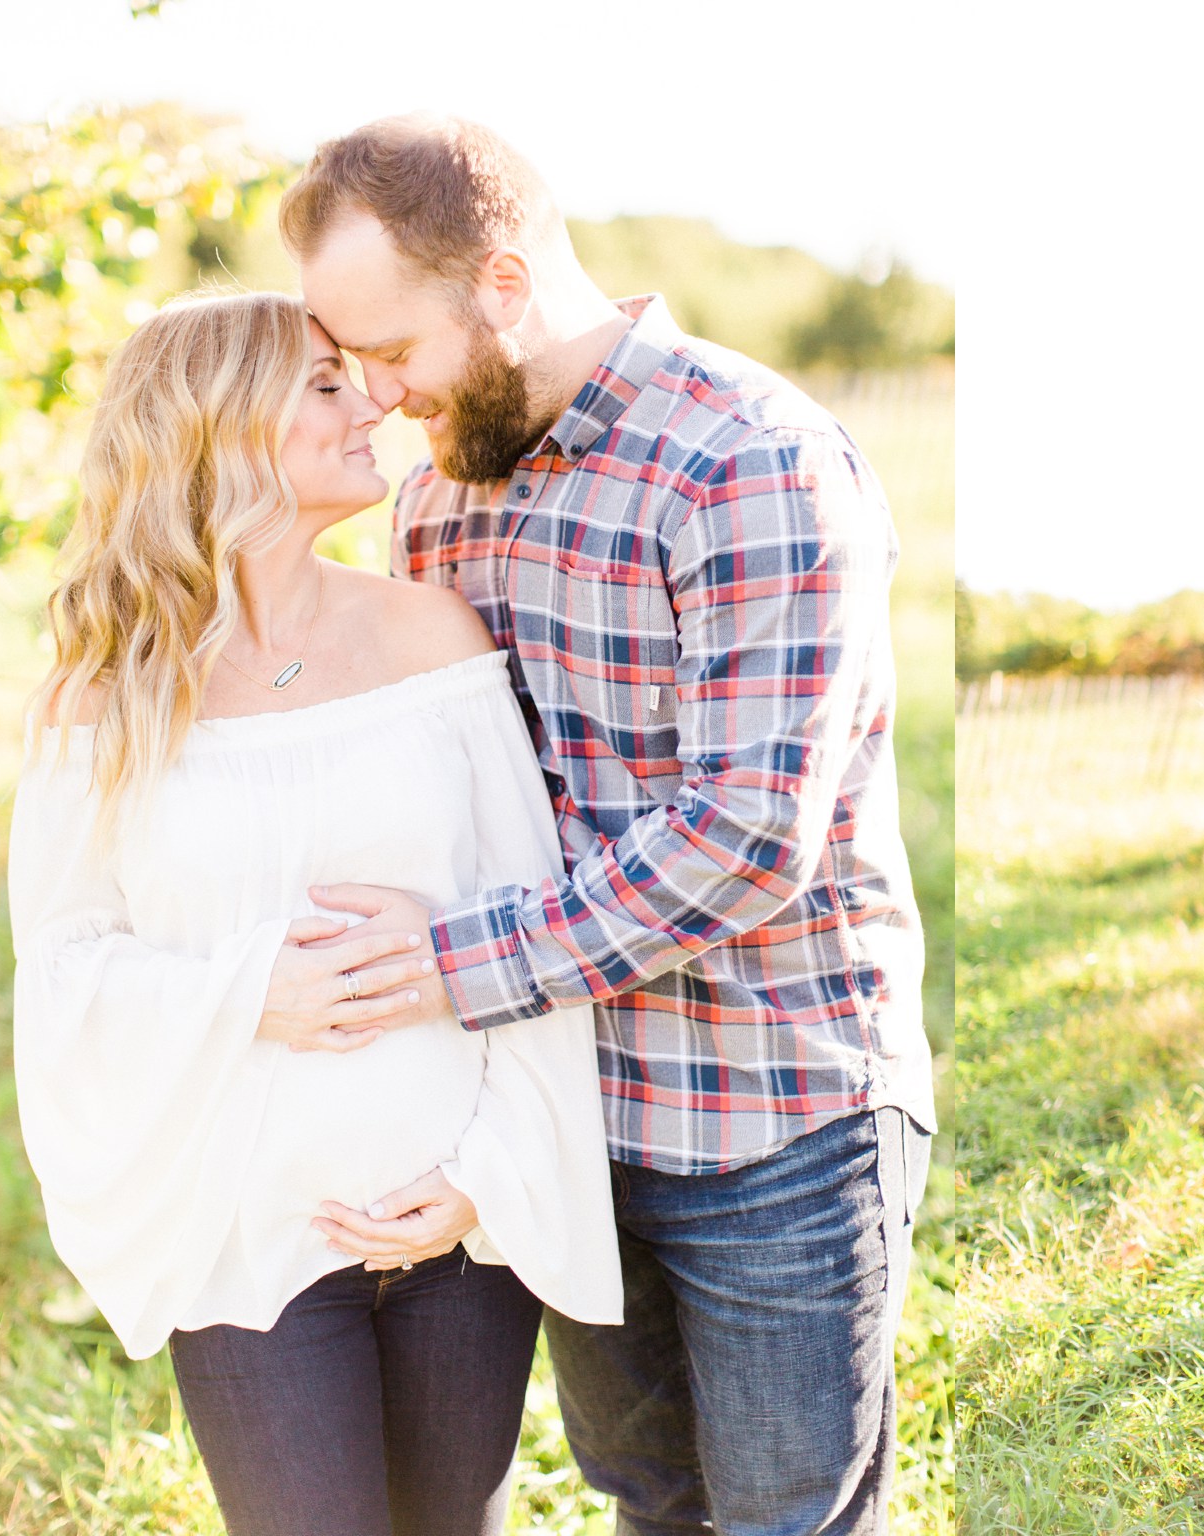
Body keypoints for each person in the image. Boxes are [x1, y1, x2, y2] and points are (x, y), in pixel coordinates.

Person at [270, 115, 935, 1535]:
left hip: (771, 1113)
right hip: (567, 1112)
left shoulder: (749, 460)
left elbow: (750, 838)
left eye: (391, 353)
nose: (378, 401)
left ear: (502, 288)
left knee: (785, 1517)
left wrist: (452, 963)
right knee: (646, 1499)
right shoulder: (444, 491)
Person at [7, 291, 623, 1536]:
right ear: (220, 430)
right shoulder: (108, 694)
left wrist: (485, 1184)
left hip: (452, 1230)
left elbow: (530, 918)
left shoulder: (430, 635)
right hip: (252, 1238)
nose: (376, 403)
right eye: (327, 385)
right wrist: (248, 993)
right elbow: (62, 974)